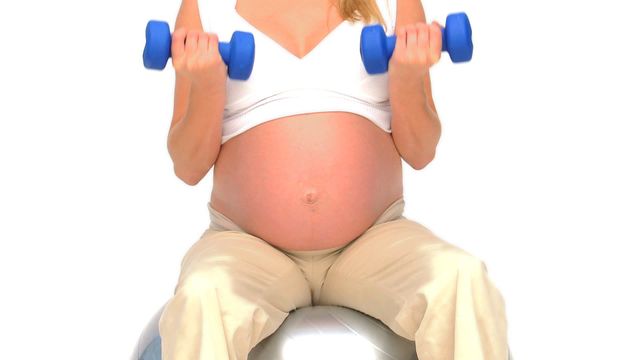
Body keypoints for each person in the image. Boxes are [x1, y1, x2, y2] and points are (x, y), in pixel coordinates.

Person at [157, 0, 508, 359]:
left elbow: (420, 152)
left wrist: (408, 76)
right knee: (202, 295)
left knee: (462, 280)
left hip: (373, 240)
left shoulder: (392, 4)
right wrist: (207, 87)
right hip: (246, 245)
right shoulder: (208, 8)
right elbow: (188, 167)